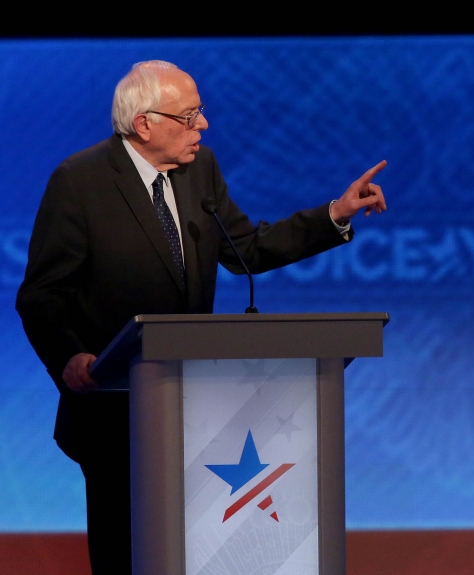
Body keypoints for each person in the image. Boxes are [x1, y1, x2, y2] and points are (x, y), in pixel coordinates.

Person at [15, 60, 388, 572]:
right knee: (127, 555)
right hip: (114, 415)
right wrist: (70, 358)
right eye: (189, 116)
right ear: (145, 124)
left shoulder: (200, 169)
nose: (203, 126)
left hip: (200, 412)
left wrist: (334, 216)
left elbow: (246, 249)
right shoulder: (80, 181)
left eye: (201, 114)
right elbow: (42, 295)